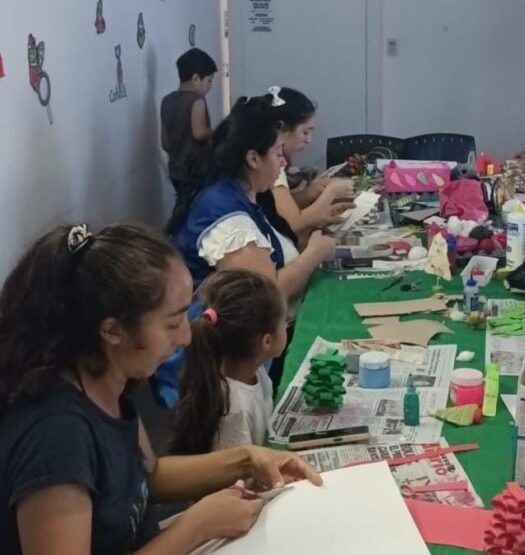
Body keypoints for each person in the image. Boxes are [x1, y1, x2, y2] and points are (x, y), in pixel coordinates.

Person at [0, 224, 321, 555]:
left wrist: (247, 460)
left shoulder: (107, 380)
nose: (185, 337)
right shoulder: (56, 437)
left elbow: (148, 474)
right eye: (172, 323)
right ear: (112, 331)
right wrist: (196, 526)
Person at [167, 94, 339, 389]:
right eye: (277, 153)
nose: (284, 161)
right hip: (224, 366)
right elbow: (266, 294)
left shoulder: (245, 196)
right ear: (253, 158)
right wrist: (314, 253)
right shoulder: (224, 212)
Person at [168, 270, 286, 455]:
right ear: (267, 342)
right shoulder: (235, 410)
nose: (285, 326)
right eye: (283, 322)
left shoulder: (256, 371)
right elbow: (238, 476)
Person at [263, 86, 355, 236]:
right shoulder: (272, 163)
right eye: (305, 132)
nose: (309, 140)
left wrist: (310, 193)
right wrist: (331, 192)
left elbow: (277, 207)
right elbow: (292, 223)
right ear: (282, 128)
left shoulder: (275, 157)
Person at [161, 48, 218, 197]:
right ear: (196, 78)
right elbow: (199, 133)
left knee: (182, 203)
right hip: (195, 170)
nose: (210, 86)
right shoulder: (197, 101)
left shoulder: (167, 101)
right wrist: (216, 132)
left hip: (175, 170)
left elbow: (165, 143)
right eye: (209, 81)